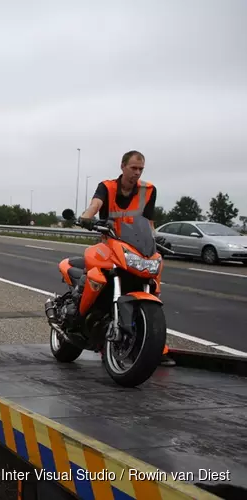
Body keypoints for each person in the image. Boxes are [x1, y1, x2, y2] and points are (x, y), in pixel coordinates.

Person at [79, 150, 174, 367]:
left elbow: (148, 222)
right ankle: (83, 314)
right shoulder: (107, 186)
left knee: (153, 278)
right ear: (122, 166)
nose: (137, 173)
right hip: (110, 244)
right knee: (98, 277)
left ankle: (153, 340)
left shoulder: (148, 190)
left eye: (141, 169)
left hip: (137, 248)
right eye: (133, 168)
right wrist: (86, 217)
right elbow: (95, 205)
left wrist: (156, 240)